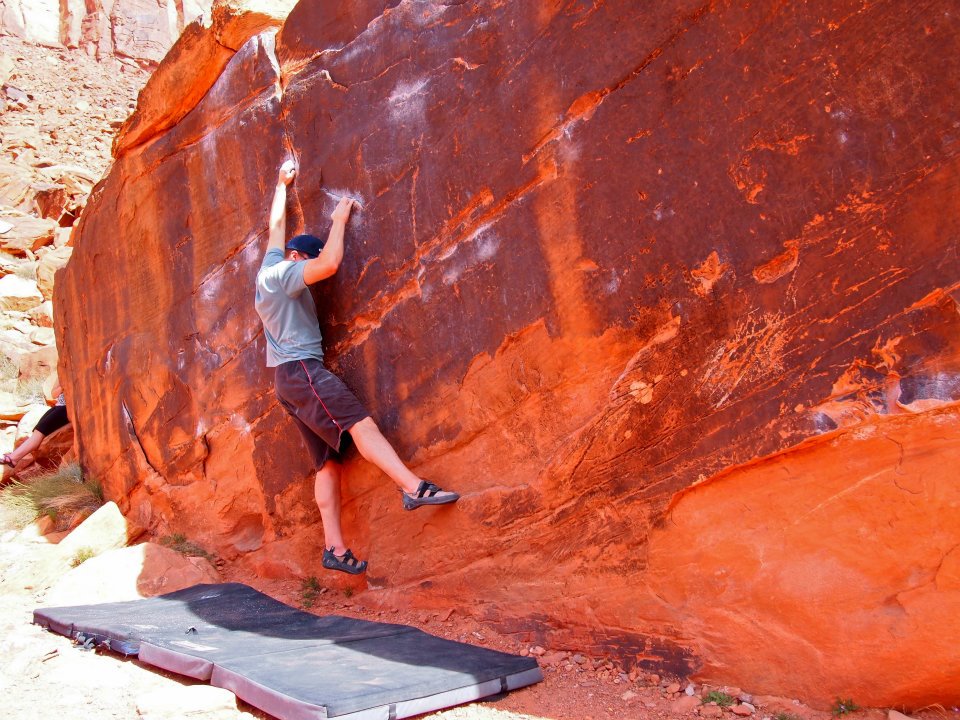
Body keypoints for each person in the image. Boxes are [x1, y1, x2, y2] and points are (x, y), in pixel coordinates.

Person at [254, 159, 458, 575]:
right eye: (303, 266)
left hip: (286, 379)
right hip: (303, 371)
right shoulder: (283, 273)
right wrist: (339, 218)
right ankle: (412, 487)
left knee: (328, 462)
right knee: (361, 424)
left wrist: (282, 183)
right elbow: (327, 263)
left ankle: (334, 548)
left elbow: (275, 225)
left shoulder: (269, 265)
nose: (308, 275)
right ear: (296, 258)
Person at [2, 376, 70, 470]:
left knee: (38, 433)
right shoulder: (62, 372)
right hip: (58, 407)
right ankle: (14, 457)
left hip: (66, 409)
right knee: (37, 431)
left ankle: (13, 458)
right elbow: (54, 394)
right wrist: (65, 385)